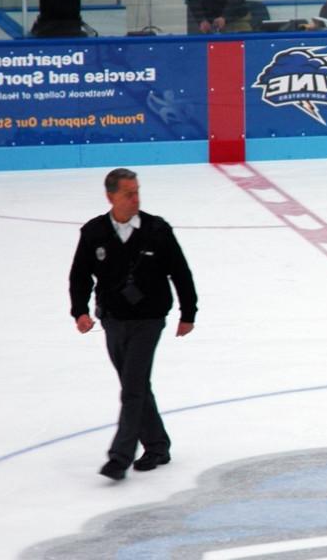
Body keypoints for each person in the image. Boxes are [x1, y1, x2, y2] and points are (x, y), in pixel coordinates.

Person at [69, 168, 198, 481]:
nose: (135, 198)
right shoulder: (94, 233)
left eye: (137, 191)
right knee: (136, 384)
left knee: (132, 388)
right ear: (111, 196)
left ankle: (120, 457)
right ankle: (157, 445)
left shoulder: (156, 230)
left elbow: (180, 271)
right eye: (129, 193)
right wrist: (80, 311)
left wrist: (188, 312)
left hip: (149, 320)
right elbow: (80, 275)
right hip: (112, 320)